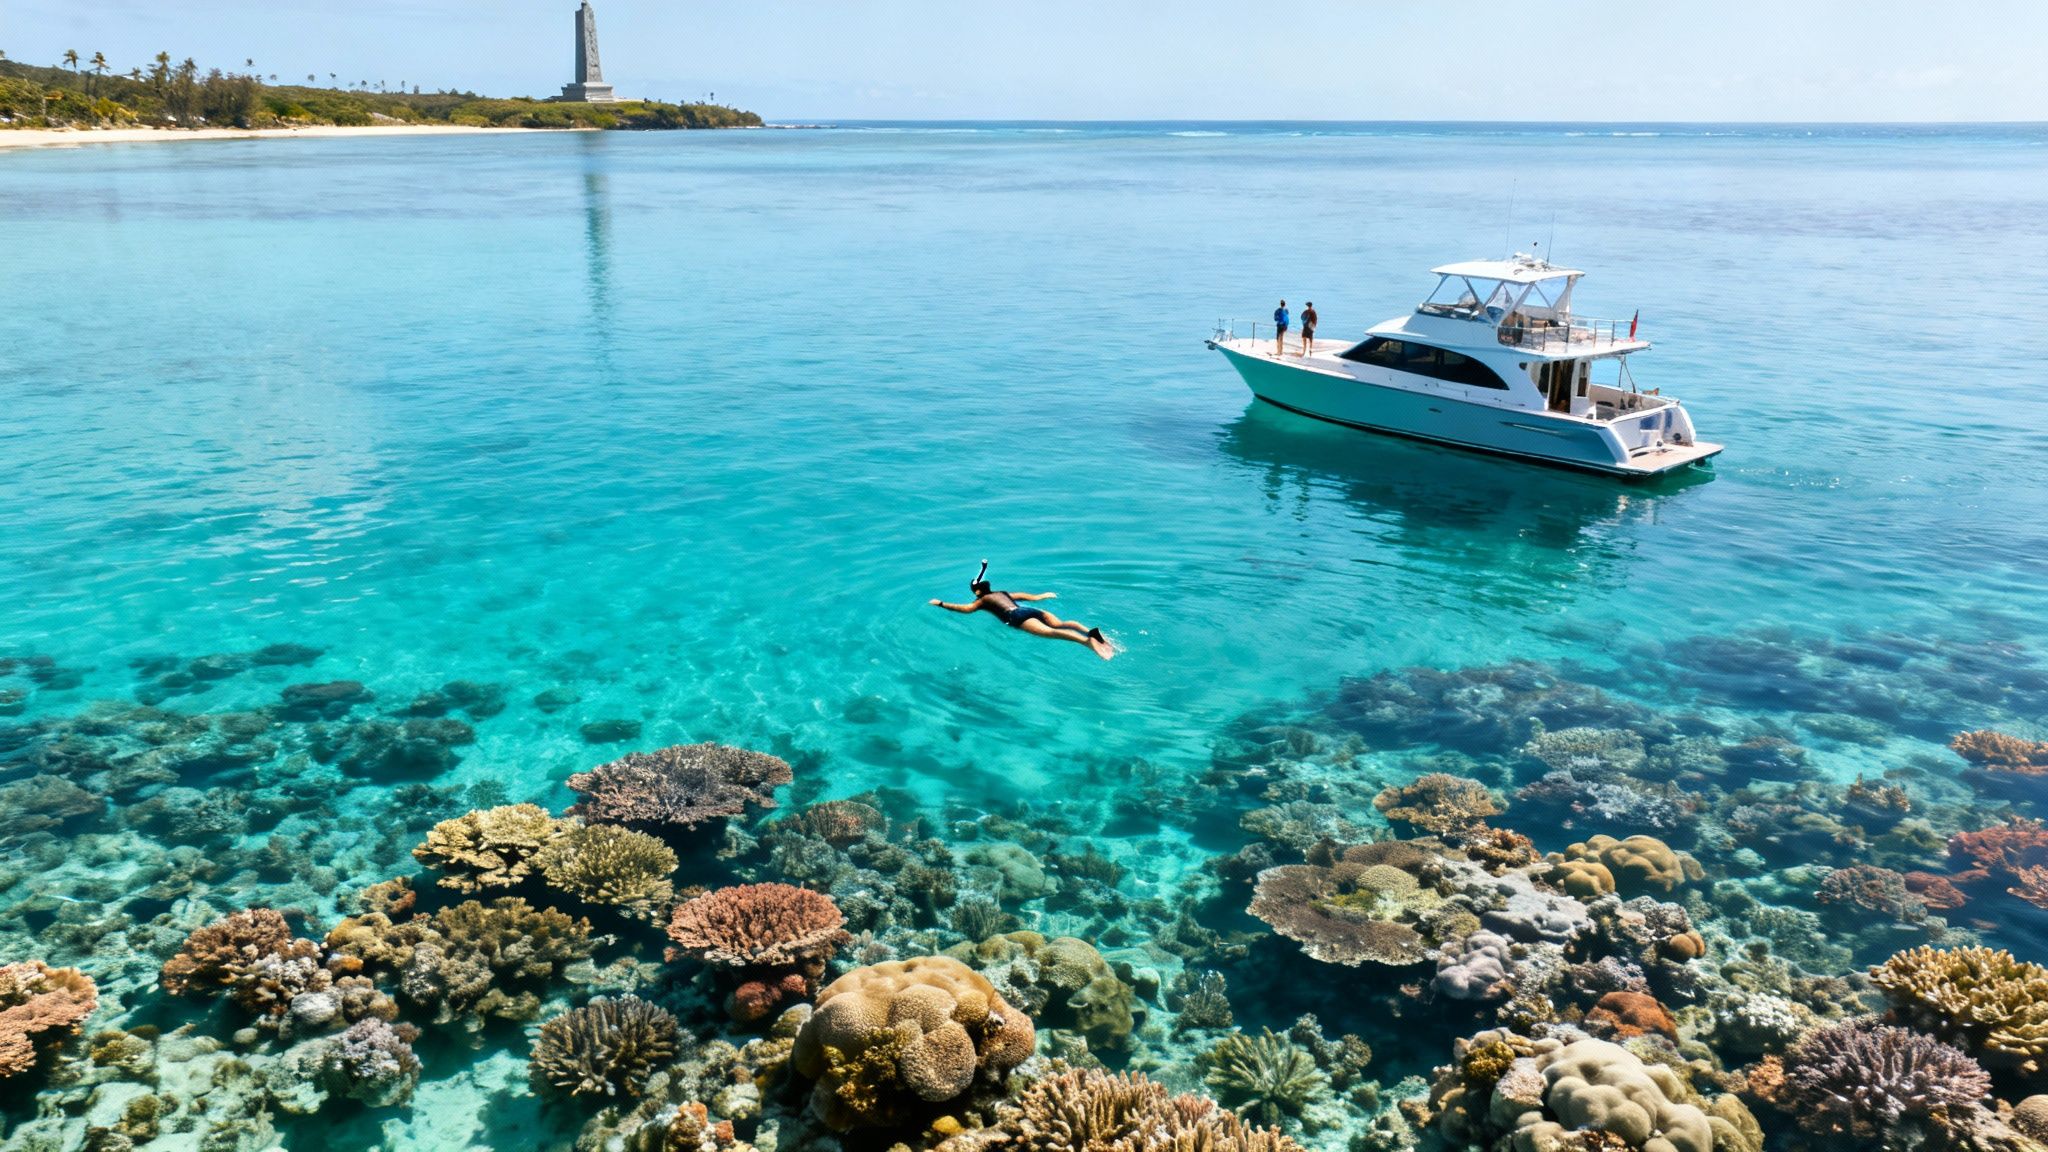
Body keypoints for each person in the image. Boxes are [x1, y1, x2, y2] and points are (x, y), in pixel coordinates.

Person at [930, 561, 1116, 660]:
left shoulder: (982, 601)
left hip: (1017, 616)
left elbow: (965, 609)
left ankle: (1087, 641)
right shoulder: (1002, 592)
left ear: (977, 592)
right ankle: (1091, 633)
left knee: (1051, 632)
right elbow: (1026, 596)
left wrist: (942, 604)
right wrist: (1043, 596)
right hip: (1030, 610)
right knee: (1061, 623)